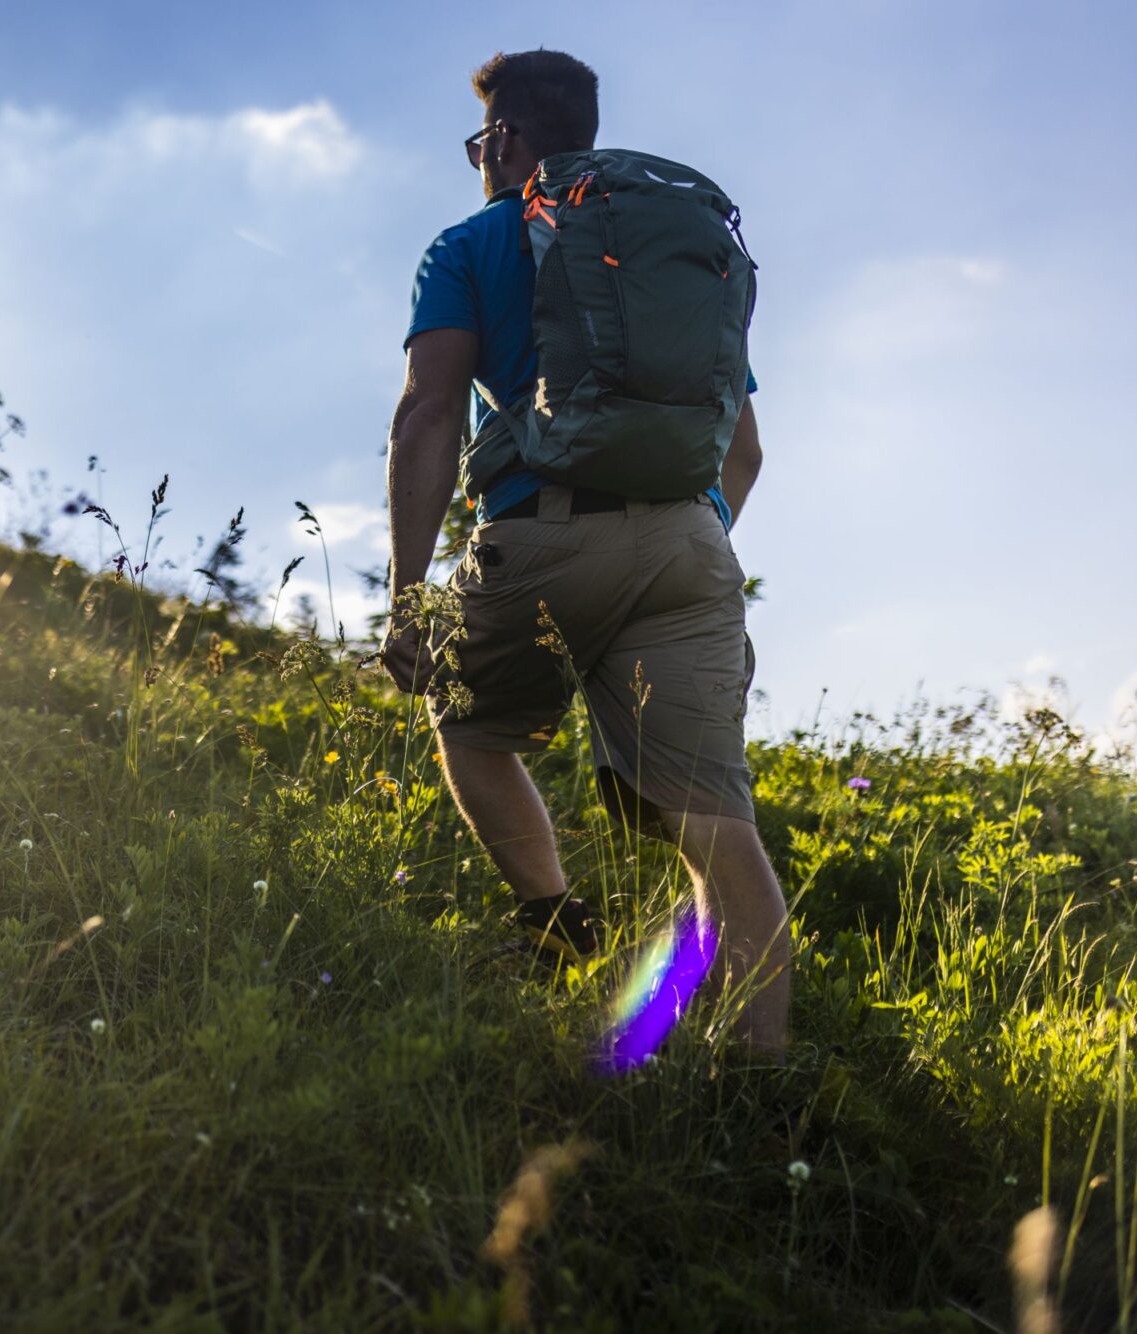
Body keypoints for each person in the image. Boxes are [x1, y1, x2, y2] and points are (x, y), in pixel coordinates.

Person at [378, 48, 790, 1058]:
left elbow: (427, 413)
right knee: (714, 831)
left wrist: (406, 594)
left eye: (480, 142)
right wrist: (669, 539)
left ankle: (556, 919)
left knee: (470, 731)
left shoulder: (469, 243)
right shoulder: (666, 253)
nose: (477, 159)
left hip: (540, 530)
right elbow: (742, 450)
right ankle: (758, 1091)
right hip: (690, 543)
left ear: (506, 139)